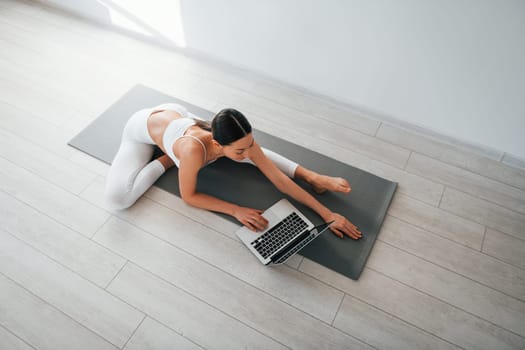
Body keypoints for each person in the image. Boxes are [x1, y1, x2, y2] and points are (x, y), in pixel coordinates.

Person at [104, 103, 362, 239]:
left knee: (249, 154)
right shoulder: (193, 151)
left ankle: (312, 176)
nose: (249, 151)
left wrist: (328, 215)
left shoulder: (241, 139)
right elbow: (189, 197)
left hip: (177, 112)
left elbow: (278, 179)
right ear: (216, 144)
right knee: (117, 200)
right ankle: (169, 160)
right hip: (142, 126)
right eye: (241, 149)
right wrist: (235, 210)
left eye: (250, 143)